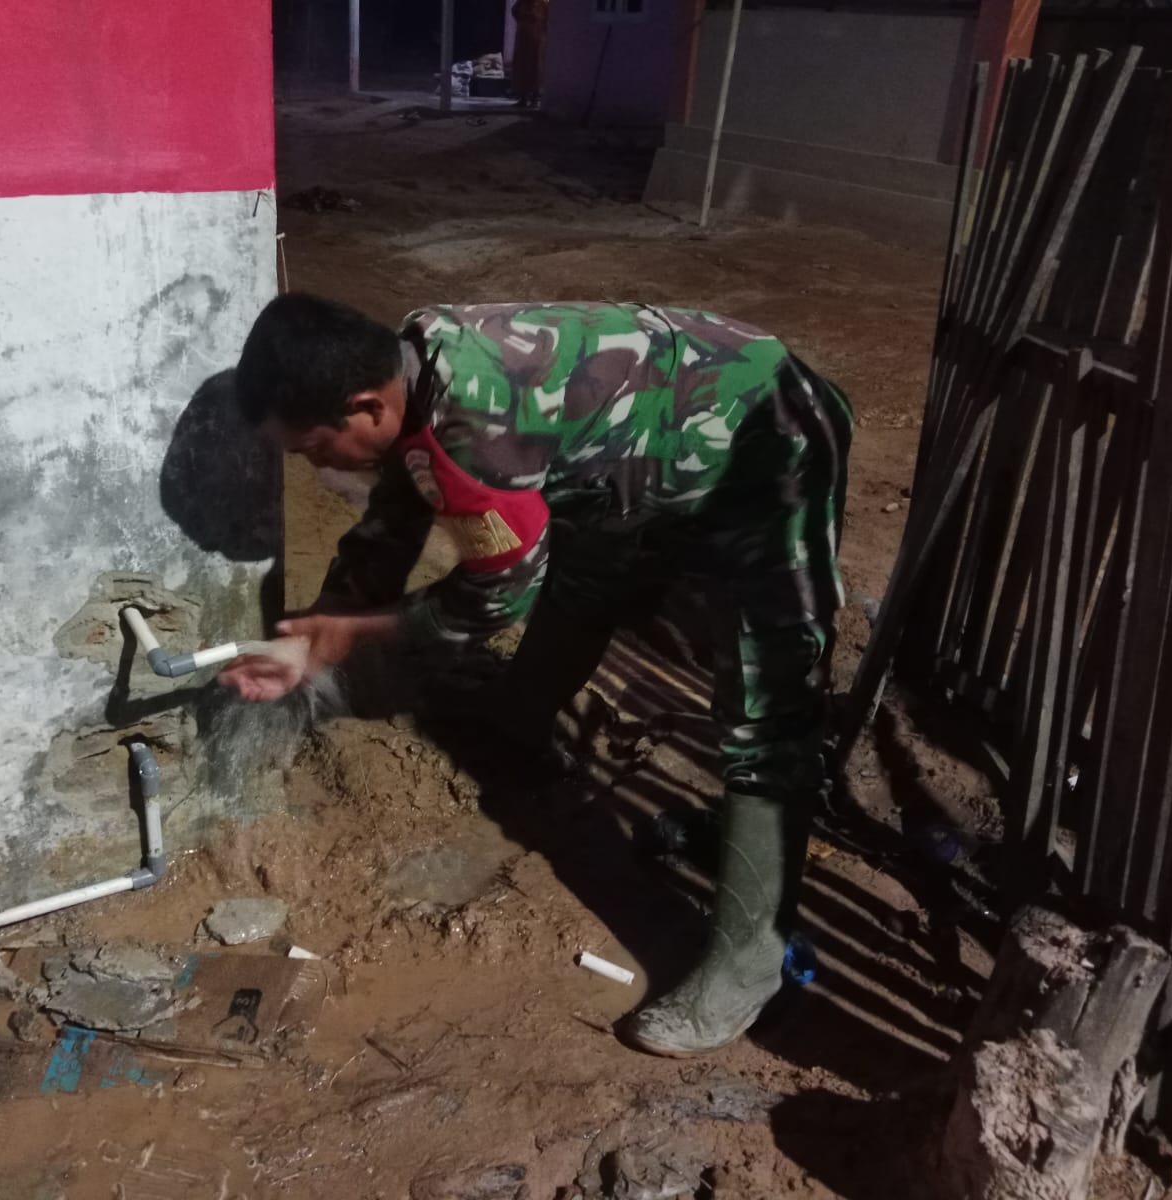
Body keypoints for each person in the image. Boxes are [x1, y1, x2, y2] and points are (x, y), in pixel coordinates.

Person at [221, 294, 851, 1056]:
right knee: (588, 569)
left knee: (766, 699)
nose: (317, 466)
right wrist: (322, 625)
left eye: (314, 448)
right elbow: (399, 504)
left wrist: (355, 633)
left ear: (365, 406)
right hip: (644, 446)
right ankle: (517, 722)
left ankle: (750, 968)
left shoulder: (471, 431)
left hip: (768, 439)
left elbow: (494, 596)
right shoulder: (413, 362)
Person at [510, 0, 549, 108]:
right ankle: (523, 97)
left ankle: (535, 98)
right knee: (522, 67)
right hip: (523, 39)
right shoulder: (522, 2)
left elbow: (548, 21)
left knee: (536, 68)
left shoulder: (544, 4)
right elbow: (515, 11)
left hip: (537, 41)